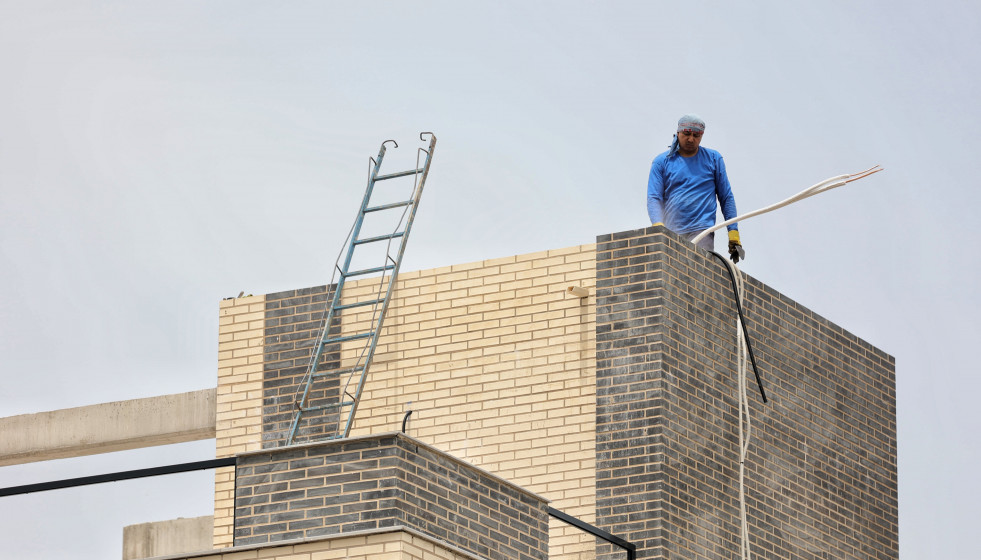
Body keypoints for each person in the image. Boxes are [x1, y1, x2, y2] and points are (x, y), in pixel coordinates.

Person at [648, 114, 744, 263]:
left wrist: (733, 232)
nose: (691, 139)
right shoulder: (662, 162)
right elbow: (654, 197)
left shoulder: (713, 159)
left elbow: (726, 197)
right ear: (678, 133)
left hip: (702, 229)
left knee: (697, 272)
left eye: (696, 135)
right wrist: (658, 226)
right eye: (686, 134)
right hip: (671, 230)